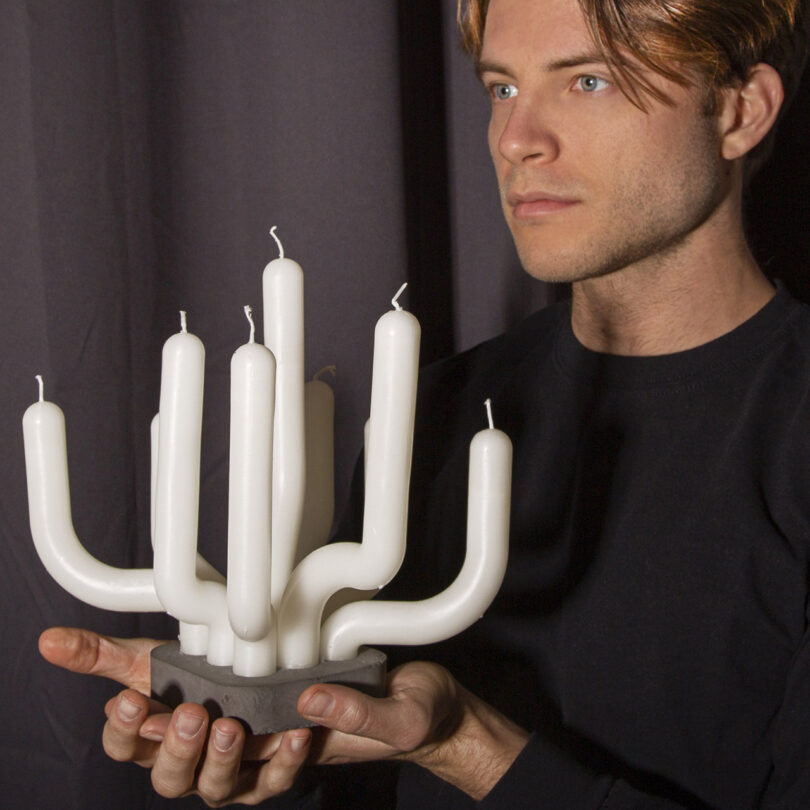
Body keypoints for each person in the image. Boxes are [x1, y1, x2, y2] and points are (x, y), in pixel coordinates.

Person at [39, 0, 810, 806]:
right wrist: (265, 746)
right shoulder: (439, 407)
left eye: (588, 81)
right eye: (502, 89)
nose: (517, 141)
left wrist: (463, 745)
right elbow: (349, 736)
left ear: (738, 111)